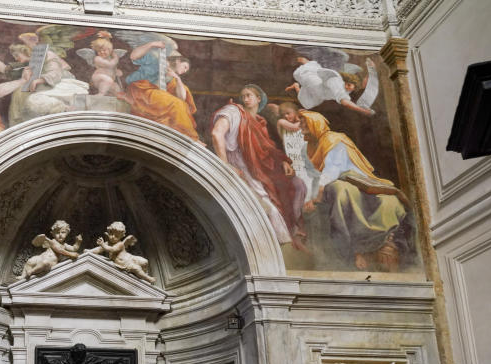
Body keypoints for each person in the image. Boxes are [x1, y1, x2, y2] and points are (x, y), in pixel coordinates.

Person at [299, 109, 411, 271]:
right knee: (336, 189)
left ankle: (360, 248)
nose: (300, 125)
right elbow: (312, 176)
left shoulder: (333, 139)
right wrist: (308, 198)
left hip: (356, 180)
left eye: (304, 122)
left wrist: (317, 196)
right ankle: (354, 251)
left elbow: (333, 168)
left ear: (315, 123)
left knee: (339, 190)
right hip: (338, 181)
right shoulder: (308, 148)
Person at [211, 85, 307, 249]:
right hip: (243, 167)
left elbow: (269, 148)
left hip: (261, 167)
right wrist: (225, 165)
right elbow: (216, 134)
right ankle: (279, 246)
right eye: (243, 96)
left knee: (296, 185)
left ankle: (292, 234)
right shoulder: (235, 112)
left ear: (259, 99)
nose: (245, 99)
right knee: (268, 208)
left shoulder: (261, 122)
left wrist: (283, 160)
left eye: (249, 95)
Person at [124, 41, 199, 141]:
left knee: (182, 99)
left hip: (152, 94)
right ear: (178, 61)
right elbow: (133, 56)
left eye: (186, 70)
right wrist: (151, 44)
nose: (185, 71)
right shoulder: (157, 59)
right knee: (176, 103)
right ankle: (189, 137)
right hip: (140, 89)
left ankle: (184, 134)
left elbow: (182, 98)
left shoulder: (171, 77)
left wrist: (178, 78)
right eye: (185, 67)